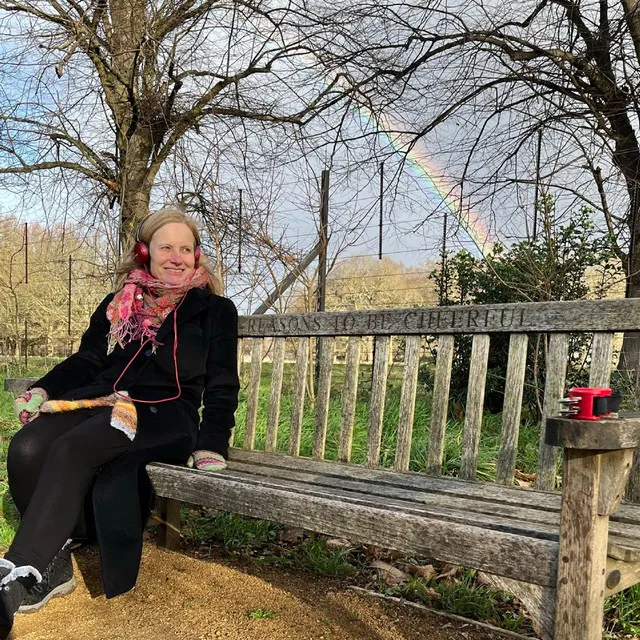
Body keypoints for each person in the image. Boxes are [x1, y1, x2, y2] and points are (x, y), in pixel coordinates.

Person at [1, 207, 240, 638]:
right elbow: (88, 360)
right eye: (166, 247)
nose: (177, 256)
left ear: (197, 256)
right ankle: (57, 555)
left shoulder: (214, 310)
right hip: (101, 401)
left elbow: (223, 384)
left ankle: (22, 572)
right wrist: (44, 389)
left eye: (186, 248)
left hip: (166, 413)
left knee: (74, 448)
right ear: (145, 252)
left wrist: (213, 443)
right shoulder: (118, 306)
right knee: (27, 447)